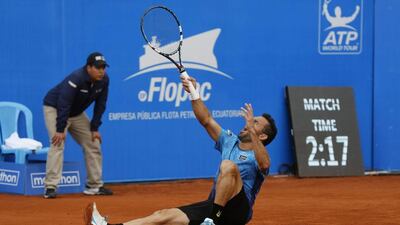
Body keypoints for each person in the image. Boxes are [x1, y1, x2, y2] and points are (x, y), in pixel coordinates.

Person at [85, 75, 277, 225]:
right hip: (214, 206)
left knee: (228, 166)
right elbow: (206, 120)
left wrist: (251, 130)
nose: (249, 123)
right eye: (251, 121)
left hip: (237, 211)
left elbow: (265, 164)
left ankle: (212, 220)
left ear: (262, 136)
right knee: (164, 216)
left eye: (255, 123)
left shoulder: (259, 155)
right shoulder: (229, 141)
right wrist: (194, 93)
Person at [43, 52, 113, 198]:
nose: (101, 71)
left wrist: (94, 128)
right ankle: (50, 187)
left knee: (93, 143)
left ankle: (93, 186)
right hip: (55, 109)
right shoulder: (76, 78)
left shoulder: (104, 80)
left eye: (103, 68)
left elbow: (101, 104)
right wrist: (60, 129)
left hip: (76, 113)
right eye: (98, 68)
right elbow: (64, 103)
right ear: (89, 67)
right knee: (57, 143)